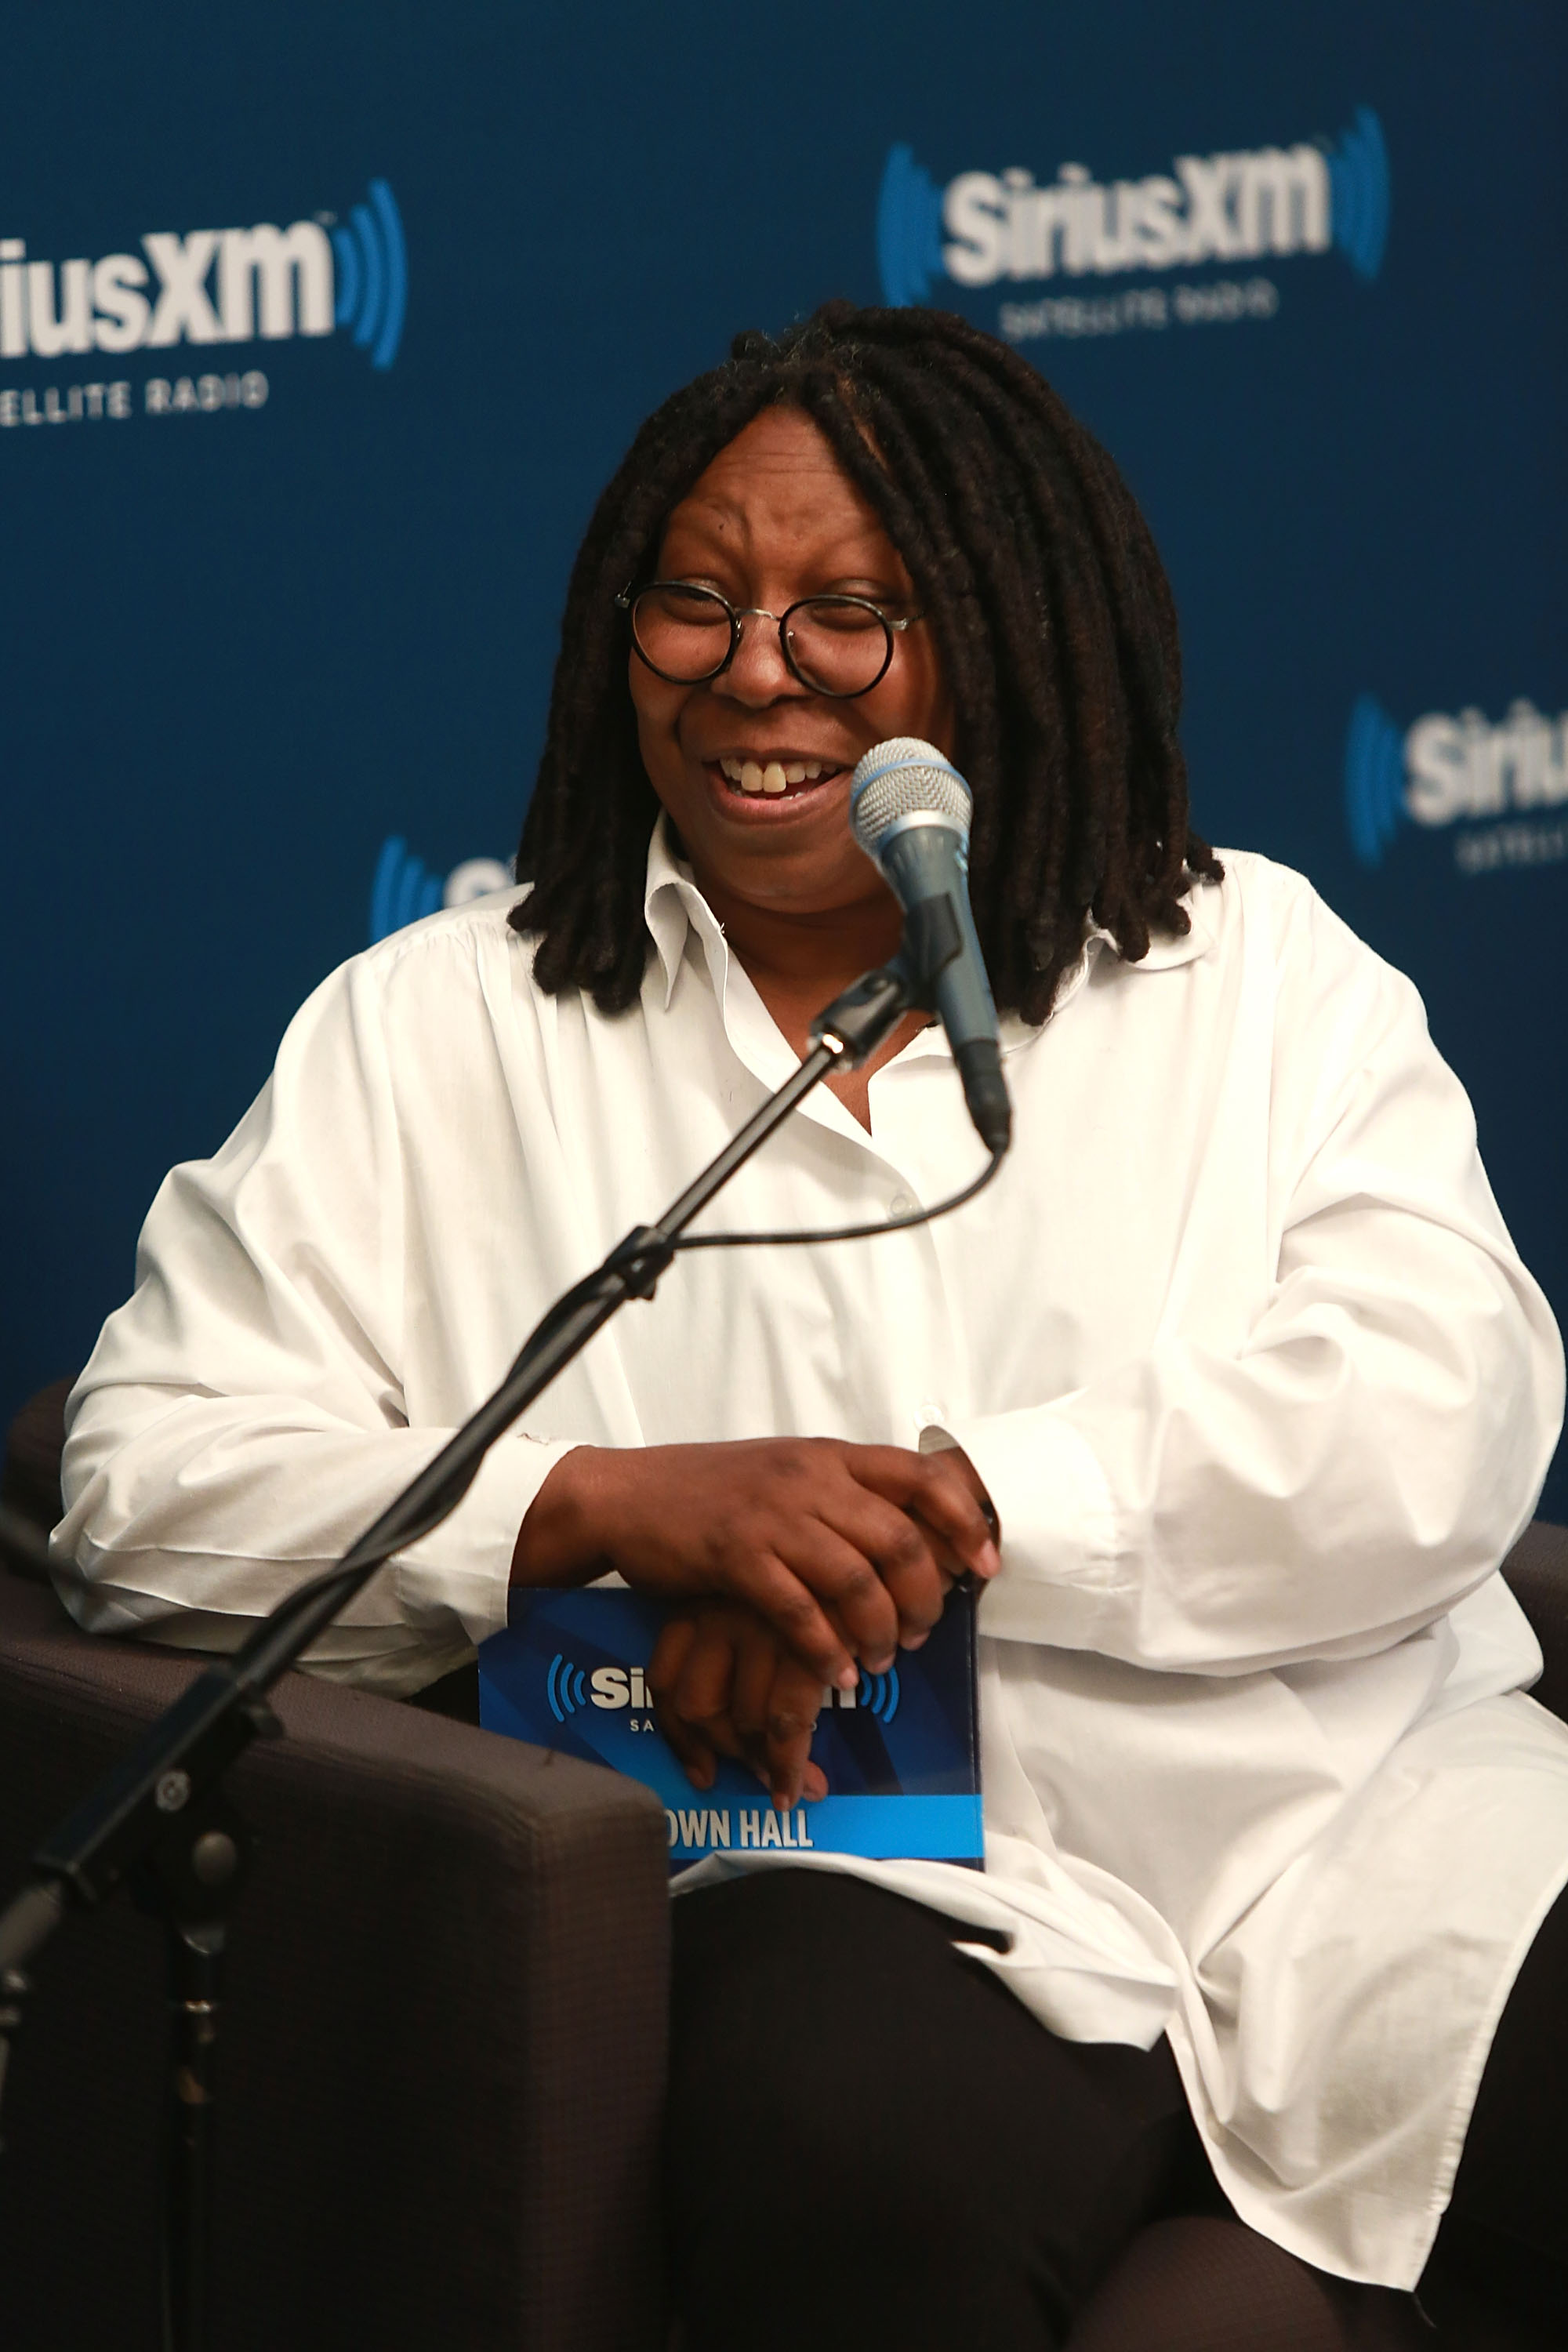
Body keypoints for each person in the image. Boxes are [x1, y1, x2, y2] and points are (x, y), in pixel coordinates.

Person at [53, 303, 1568, 2349]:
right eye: (696, 597)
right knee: (847, 2143)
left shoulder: (1258, 972)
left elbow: (1434, 1417)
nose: (756, 669)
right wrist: (598, 1508)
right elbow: (149, 1490)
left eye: (851, 611)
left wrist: (938, 1516)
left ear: (1015, 641)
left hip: (1349, 1841)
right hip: (857, 1872)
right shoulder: (437, 1032)